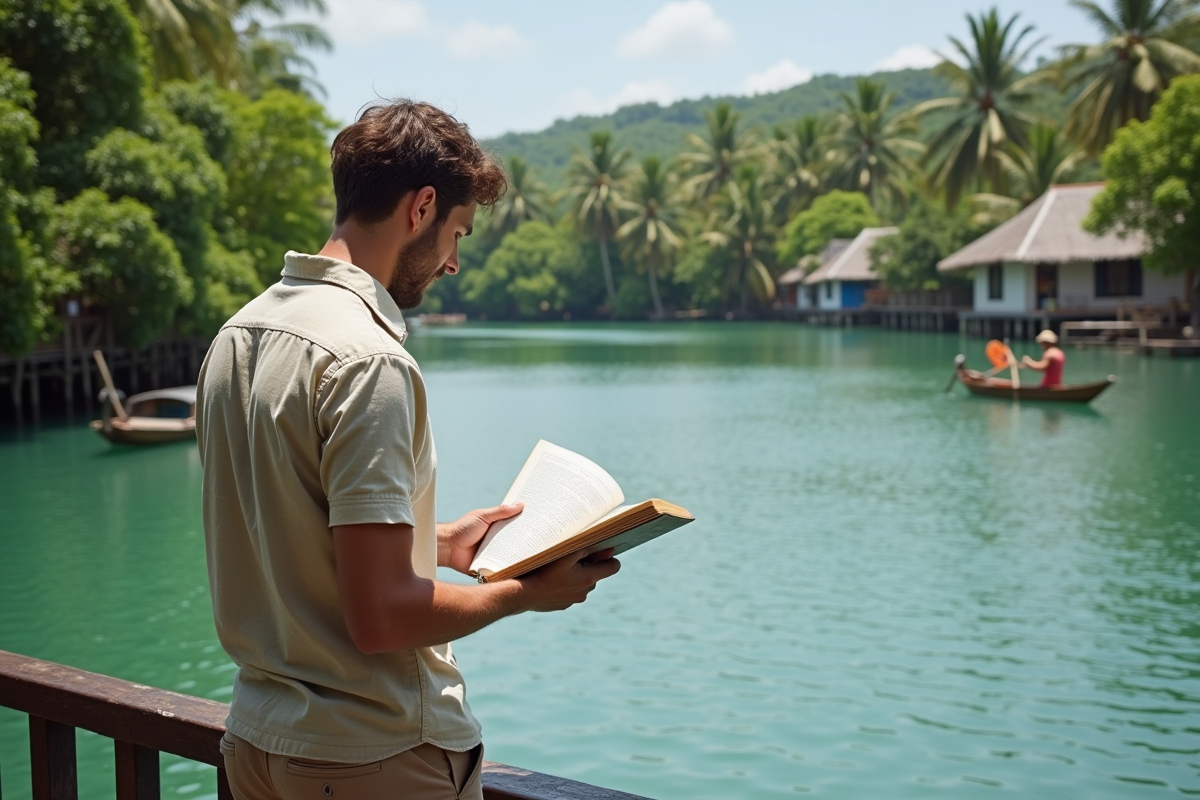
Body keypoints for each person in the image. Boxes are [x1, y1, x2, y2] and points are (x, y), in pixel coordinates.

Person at [196, 100, 622, 800]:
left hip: (258, 746)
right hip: (371, 759)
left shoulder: (239, 337)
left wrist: (442, 541)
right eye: (457, 232)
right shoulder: (369, 359)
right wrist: (526, 594)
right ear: (420, 208)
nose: (453, 262)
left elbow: (289, 531)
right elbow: (383, 616)